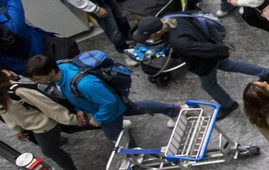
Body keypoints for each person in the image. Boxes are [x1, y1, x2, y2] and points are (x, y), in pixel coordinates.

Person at [133, 14, 269, 120]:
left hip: (205, 63)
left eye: (149, 37)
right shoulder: (174, 19)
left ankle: (228, 105)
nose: (149, 41)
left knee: (208, 85)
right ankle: (266, 73)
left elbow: (203, 51)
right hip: (209, 48)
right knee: (230, 65)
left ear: (158, 32)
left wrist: (207, 61)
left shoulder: (180, 43)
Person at [24, 53, 178, 143]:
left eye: (38, 79)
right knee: (135, 108)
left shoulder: (85, 84)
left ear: (51, 71)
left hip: (108, 110)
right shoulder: (61, 67)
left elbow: (109, 103)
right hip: (108, 103)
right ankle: (175, 110)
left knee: (115, 136)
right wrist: (79, 110)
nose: (36, 83)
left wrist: (97, 119)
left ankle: (136, 156)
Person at [0, 67, 82, 170]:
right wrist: (16, 130)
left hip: (44, 125)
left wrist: (72, 119)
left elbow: (48, 105)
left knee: (50, 150)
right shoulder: (3, 95)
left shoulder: (18, 91)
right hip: (39, 125)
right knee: (52, 147)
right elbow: (5, 114)